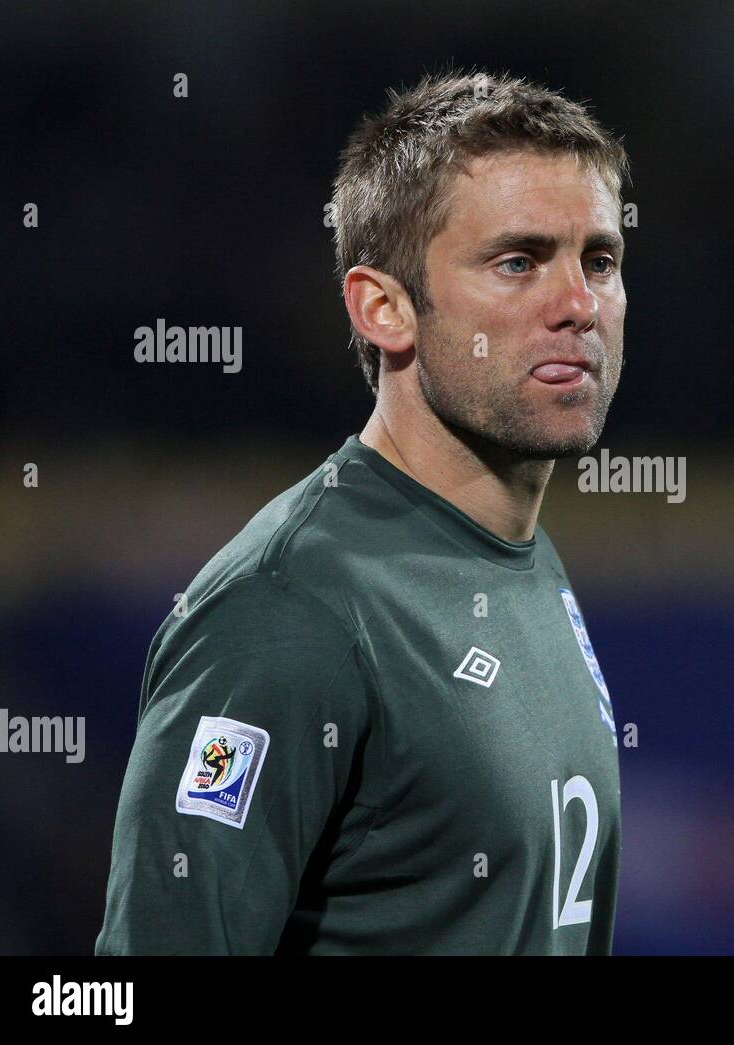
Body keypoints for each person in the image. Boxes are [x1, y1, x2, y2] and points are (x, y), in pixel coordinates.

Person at [95, 69, 628, 955]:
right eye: (518, 261)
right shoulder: (290, 610)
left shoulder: (515, 552)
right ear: (383, 308)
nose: (578, 305)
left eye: (599, 260)